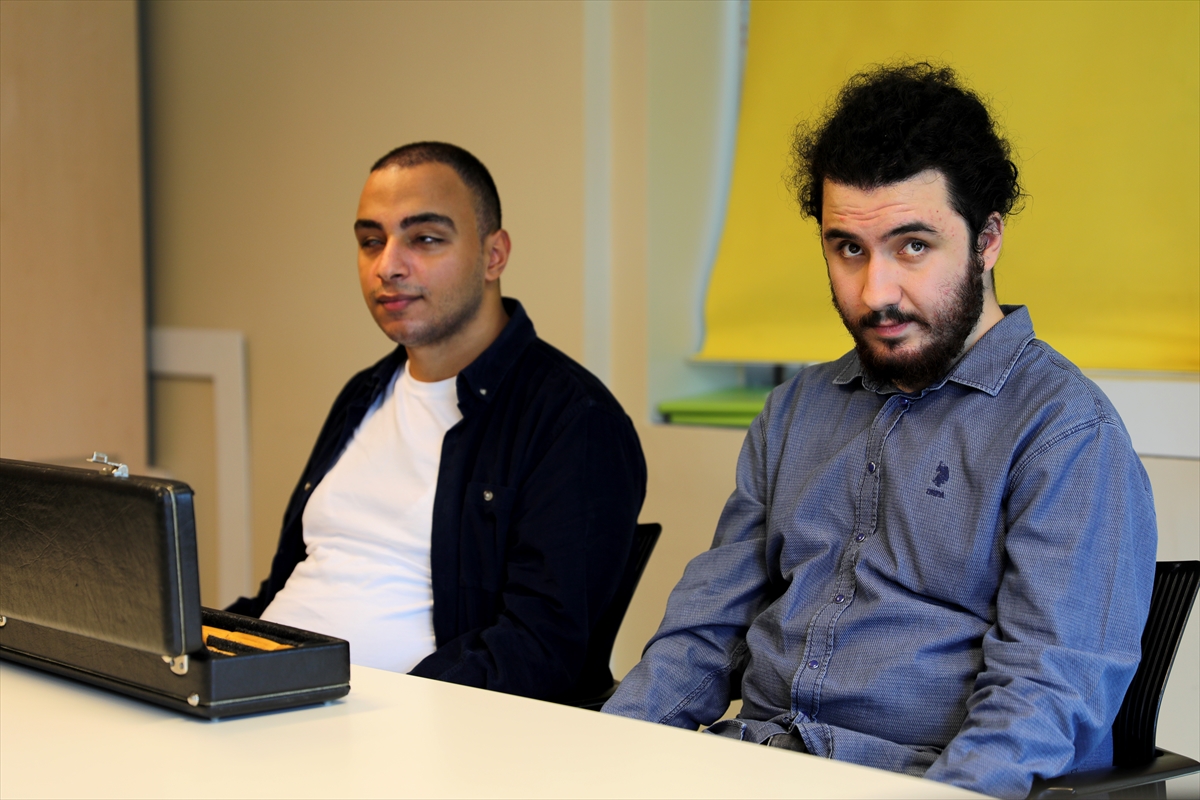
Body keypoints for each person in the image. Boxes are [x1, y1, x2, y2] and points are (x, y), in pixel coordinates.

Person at [602, 64, 1156, 799]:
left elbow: (1044, 699)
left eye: (913, 246)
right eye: (848, 249)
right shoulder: (795, 411)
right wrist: (603, 757)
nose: (876, 293)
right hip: (752, 766)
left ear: (987, 239)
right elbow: (702, 635)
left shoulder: (1064, 433)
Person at [229, 142, 647, 703]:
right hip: (261, 699)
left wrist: (378, 710)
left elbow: (539, 650)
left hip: (405, 726)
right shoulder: (363, 395)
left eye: (425, 238)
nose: (388, 266)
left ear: (493, 255)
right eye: (371, 241)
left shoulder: (574, 421)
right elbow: (284, 585)